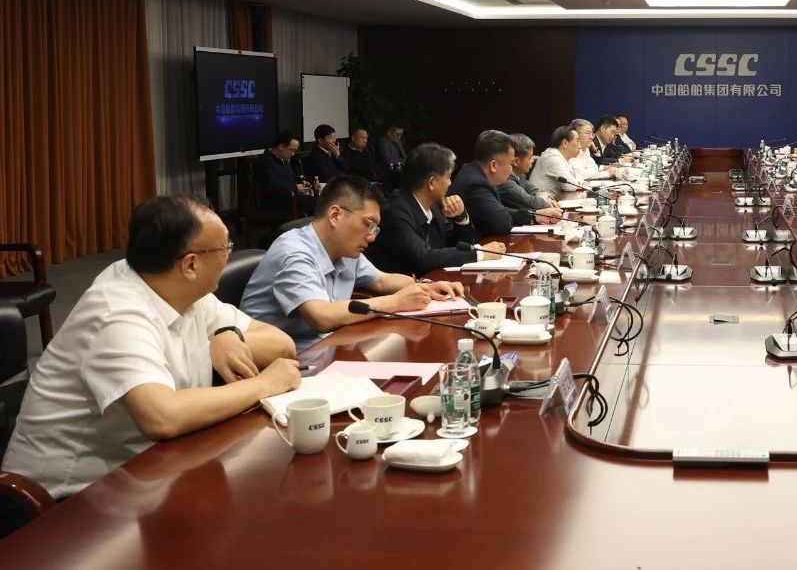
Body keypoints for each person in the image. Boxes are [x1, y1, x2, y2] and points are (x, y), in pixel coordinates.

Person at [1, 196, 300, 498]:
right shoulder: (117, 312)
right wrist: (265, 384)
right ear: (190, 264)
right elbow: (162, 416)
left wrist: (229, 333)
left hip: (147, 471)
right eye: (225, 248)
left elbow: (283, 346)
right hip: (60, 500)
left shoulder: (178, 287)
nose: (228, 255)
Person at [239, 176, 464, 350]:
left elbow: (382, 280)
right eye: (368, 224)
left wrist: (425, 287)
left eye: (375, 228)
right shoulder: (294, 251)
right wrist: (395, 302)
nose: (372, 237)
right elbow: (321, 317)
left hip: (325, 347)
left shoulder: (345, 250)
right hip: (278, 363)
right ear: (335, 215)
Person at [364, 144, 508, 275]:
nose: (450, 183)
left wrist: (461, 217)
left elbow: (459, 246)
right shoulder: (396, 210)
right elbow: (421, 257)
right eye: (448, 177)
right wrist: (480, 253)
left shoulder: (433, 206)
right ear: (432, 182)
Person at [452, 130, 560, 238]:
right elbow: (503, 223)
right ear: (493, 165)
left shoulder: (473, 173)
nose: (511, 170)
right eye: (510, 163)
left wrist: (535, 216)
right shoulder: (476, 185)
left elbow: (501, 210)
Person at [254, 131, 314, 215]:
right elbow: (273, 184)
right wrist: (295, 188)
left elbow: (291, 175)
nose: (293, 154)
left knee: (321, 200)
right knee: (320, 203)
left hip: (289, 197)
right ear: (281, 146)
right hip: (276, 201)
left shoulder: (282, 159)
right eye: (292, 150)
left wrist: (301, 181)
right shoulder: (266, 161)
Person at [500, 133, 561, 213]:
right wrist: (543, 199)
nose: (532, 160)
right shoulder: (505, 181)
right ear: (516, 161)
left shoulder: (520, 174)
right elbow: (531, 204)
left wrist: (546, 196)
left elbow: (532, 189)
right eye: (530, 157)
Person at [529, 125, 588, 197]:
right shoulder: (552, 157)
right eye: (577, 141)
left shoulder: (562, 156)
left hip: (553, 200)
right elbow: (571, 186)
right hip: (541, 201)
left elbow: (579, 177)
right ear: (565, 143)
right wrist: (578, 182)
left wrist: (577, 182)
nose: (580, 146)